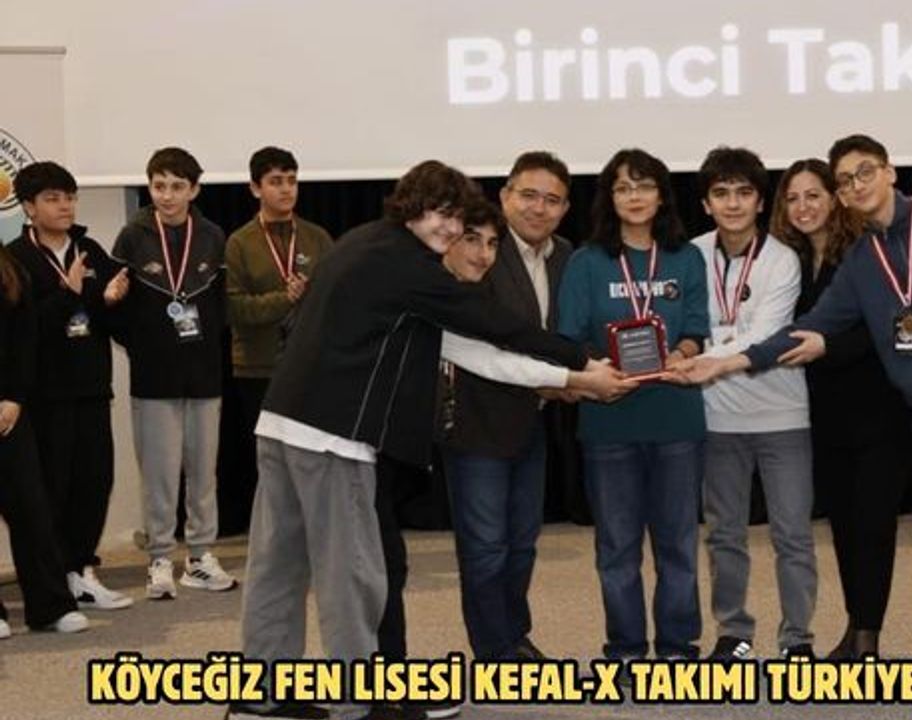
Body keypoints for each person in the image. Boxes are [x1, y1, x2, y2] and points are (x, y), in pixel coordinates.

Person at [235, 161, 605, 720]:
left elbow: (470, 349)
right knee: (350, 577)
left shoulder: (361, 243)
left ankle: (259, 695)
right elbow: (492, 324)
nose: (450, 229)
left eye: (458, 219)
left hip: (281, 421)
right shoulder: (408, 264)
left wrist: (570, 374)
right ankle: (362, 702)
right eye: (441, 214)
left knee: (278, 567)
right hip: (332, 437)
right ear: (410, 205)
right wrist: (580, 361)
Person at [678, 134, 912, 664]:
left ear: (890, 172)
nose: (856, 185)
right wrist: (728, 362)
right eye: (846, 180)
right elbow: (810, 327)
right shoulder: (861, 260)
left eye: (865, 172)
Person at [557, 148, 710, 661]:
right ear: (610, 198)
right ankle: (624, 650)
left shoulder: (686, 258)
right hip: (609, 422)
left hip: (675, 420)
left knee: (678, 546)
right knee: (617, 549)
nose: (634, 196)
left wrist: (680, 355)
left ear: (662, 195)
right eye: (622, 188)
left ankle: (677, 649)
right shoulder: (586, 262)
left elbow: (696, 329)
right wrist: (599, 367)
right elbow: (570, 338)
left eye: (644, 186)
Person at [434, 151, 583, 662]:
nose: (539, 208)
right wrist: (565, 378)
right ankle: (494, 652)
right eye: (528, 195)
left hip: (534, 421)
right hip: (477, 420)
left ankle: (514, 636)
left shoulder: (567, 256)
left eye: (552, 200)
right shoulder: (478, 249)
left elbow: (567, 332)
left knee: (522, 542)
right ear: (505, 196)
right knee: (485, 545)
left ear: (565, 209)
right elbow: (489, 341)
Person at [769, 158, 912, 659]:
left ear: (835, 198)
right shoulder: (788, 262)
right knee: (845, 529)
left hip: (878, 411)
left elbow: (886, 327)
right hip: (823, 417)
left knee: (874, 528)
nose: (803, 207)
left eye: (814, 195)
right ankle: (857, 628)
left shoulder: (864, 252)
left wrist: (827, 347)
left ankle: (868, 638)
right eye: (793, 198)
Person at [689, 147, 817, 660]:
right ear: (706, 204)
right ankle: (734, 632)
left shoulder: (783, 258)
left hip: (783, 417)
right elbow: (686, 332)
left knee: (793, 536)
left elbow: (766, 335)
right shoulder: (690, 255)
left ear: (761, 202)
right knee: (724, 535)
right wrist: (696, 353)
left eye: (744, 193)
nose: (733, 203)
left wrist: (706, 356)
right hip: (716, 418)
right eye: (721, 193)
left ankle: (797, 640)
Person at [8, 161, 133, 610]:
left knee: (94, 482)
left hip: (92, 389)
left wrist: (111, 302)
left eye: (69, 197)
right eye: (52, 199)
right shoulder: (15, 260)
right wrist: (67, 295)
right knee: (50, 490)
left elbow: (112, 323)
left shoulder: (90, 250)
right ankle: (54, 580)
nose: (65, 206)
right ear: (29, 207)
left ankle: (81, 570)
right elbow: (22, 331)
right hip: (44, 397)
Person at [112, 147, 236, 599]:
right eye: (158, 186)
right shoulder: (133, 236)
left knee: (204, 471)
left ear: (194, 190)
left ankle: (200, 556)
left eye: (177, 187)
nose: (166, 196)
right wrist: (147, 346)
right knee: (160, 473)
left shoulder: (213, 236)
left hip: (204, 372)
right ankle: (161, 557)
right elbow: (118, 307)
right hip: (154, 375)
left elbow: (222, 307)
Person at [223, 146, 334, 536]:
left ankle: (314, 534)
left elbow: (336, 300)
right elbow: (234, 309)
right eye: (275, 181)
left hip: (309, 368)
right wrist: (283, 299)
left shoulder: (317, 238)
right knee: (269, 465)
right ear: (255, 188)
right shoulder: (240, 243)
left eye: (291, 180)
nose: (286, 189)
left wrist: (311, 297)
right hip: (258, 368)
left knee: (312, 458)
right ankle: (274, 540)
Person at [0, 240, 90, 637]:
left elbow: (25, 336)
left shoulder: (9, 269)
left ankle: (50, 606)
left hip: (8, 411)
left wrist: (14, 396)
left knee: (31, 508)